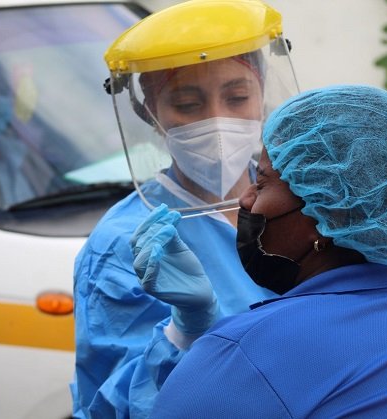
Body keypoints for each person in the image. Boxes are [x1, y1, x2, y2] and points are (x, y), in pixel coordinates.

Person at [141, 84, 387, 418]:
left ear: (328, 212)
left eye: (263, 181)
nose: (246, 198)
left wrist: (185, 332)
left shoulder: (249, 353)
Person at [70, 0, 299, 417]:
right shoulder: (126, 243)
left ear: (262, 95)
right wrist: (182, 332)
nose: (217, 121)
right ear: (149, 112)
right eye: (188, 104)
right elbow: (116, 407)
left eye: (237, 96)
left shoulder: (303, 203)